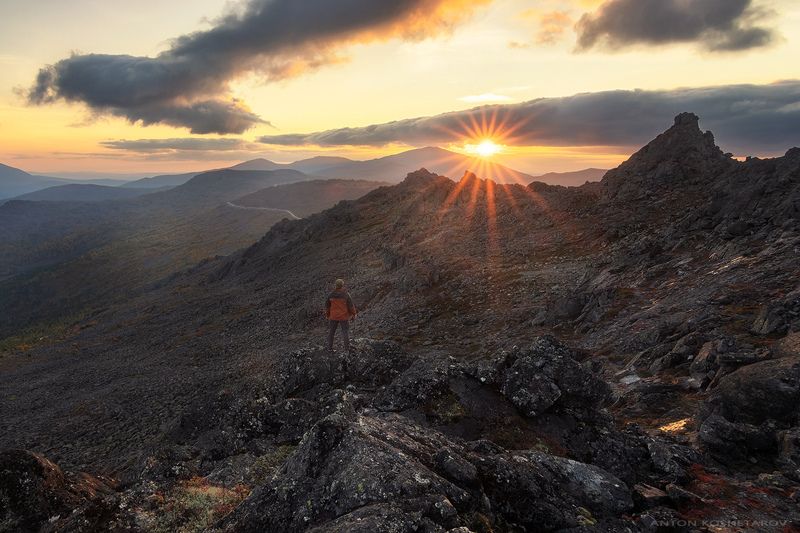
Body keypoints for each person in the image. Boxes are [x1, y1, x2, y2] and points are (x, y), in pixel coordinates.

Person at [325, 279, 357, 352]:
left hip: (333, 317)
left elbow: (327, 306)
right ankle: (347, 350)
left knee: (331, 332)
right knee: (345, 332)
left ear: (335, 285)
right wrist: (354, 314)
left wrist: (327, 315)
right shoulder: (346, 294)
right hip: (344, 317)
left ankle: (329, 349)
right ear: (342, 285)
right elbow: (351, 306)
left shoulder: (331, 294)